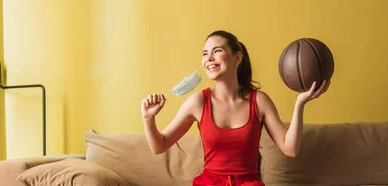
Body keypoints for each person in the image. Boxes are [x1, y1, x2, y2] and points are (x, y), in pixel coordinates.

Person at [141, 30, 330, 186]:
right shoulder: (198, 102)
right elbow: (160, 146)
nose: (209, 58)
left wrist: (300, 104)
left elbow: (290, 149)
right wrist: (148, 119)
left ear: (237, 57)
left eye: (217, 51)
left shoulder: (259, 101)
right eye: (205, 54)